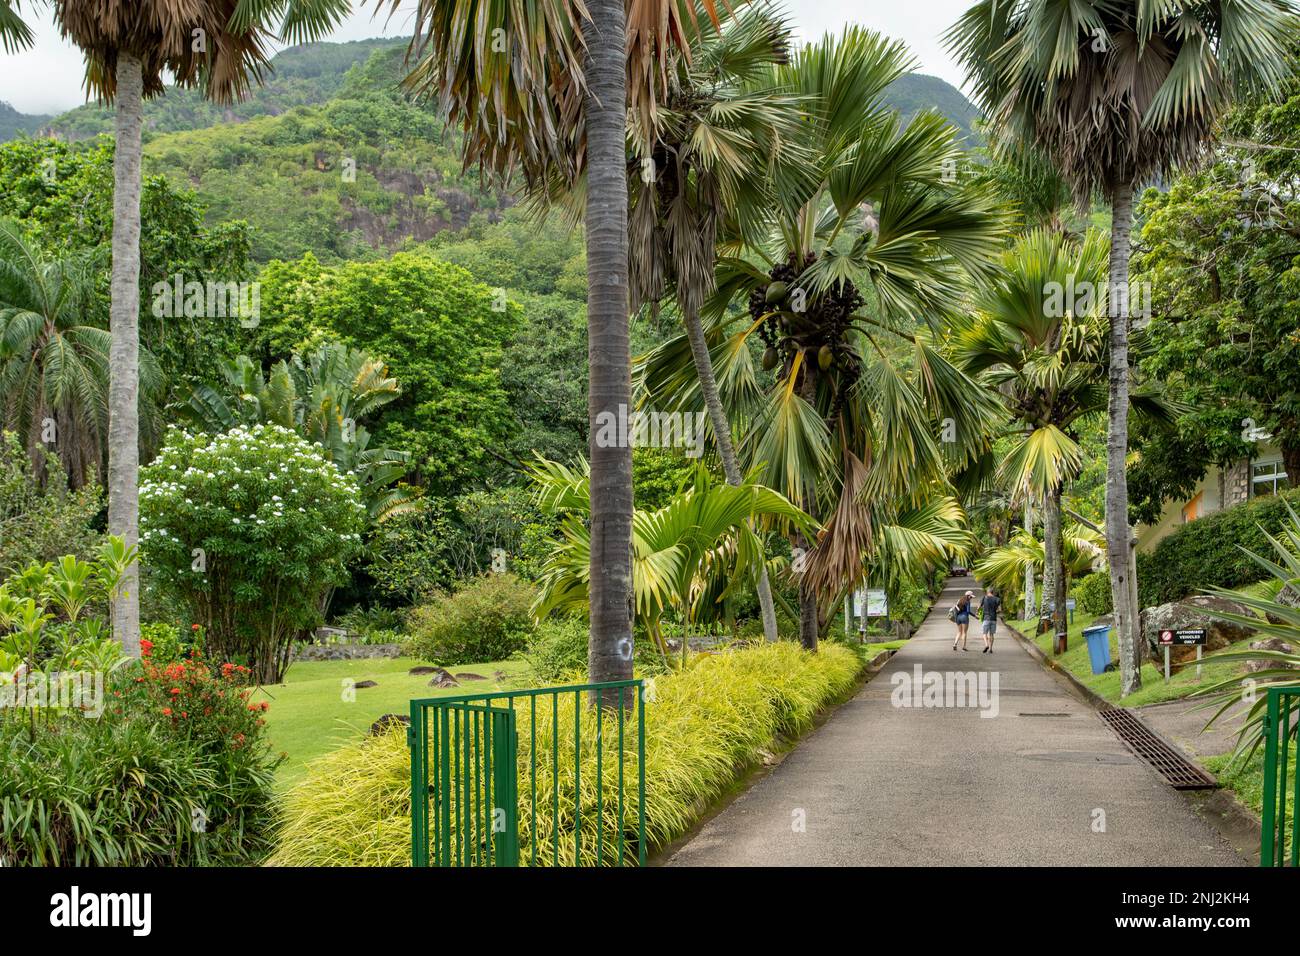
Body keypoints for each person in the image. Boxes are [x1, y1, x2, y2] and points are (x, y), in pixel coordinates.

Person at [979, 586, 1001, 654]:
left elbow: (978, 607)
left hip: (986, 618)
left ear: (987, 592)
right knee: (991, 634)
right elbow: (1000, 610)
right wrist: (995, 612)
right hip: (993, 618)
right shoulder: (997, 599)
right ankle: (990, 649)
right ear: (993, 592)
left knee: (984, 633)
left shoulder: (984, 598)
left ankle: (986, 645)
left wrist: (978, 612)